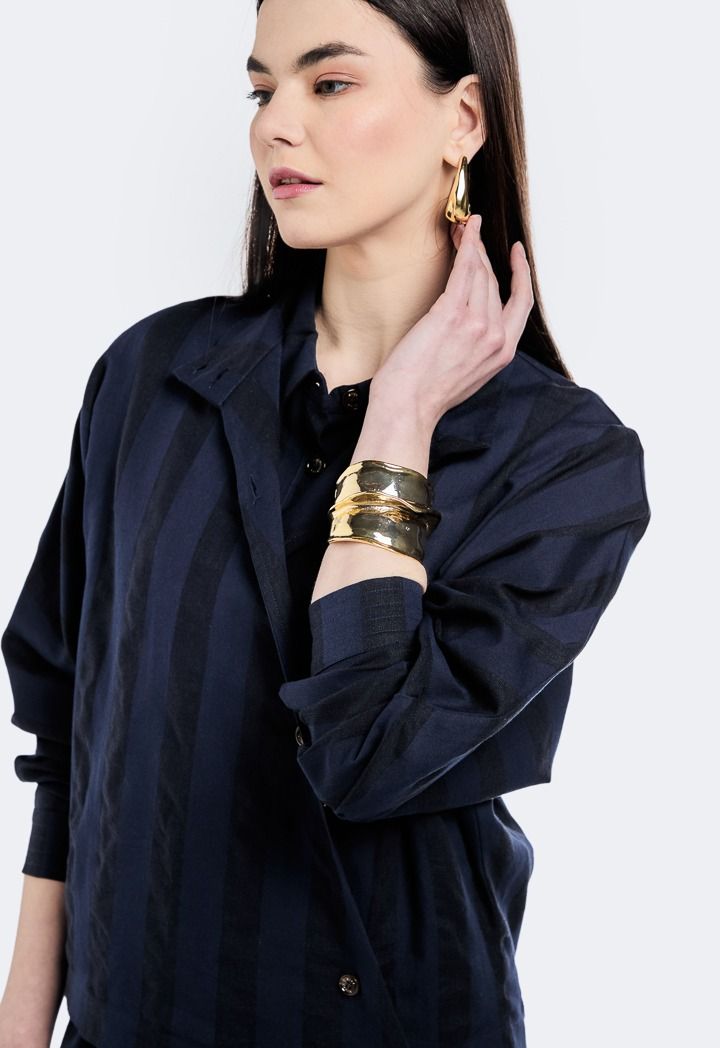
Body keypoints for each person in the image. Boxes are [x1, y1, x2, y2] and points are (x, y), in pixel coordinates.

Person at [0, 1, 651, 1046]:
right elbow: (66, 730)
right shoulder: (150, 379)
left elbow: (368, 754)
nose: (275, 123)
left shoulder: (563, 461)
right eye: (262, 90)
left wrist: (398, 425)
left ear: (463, 119)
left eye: (330, 82)